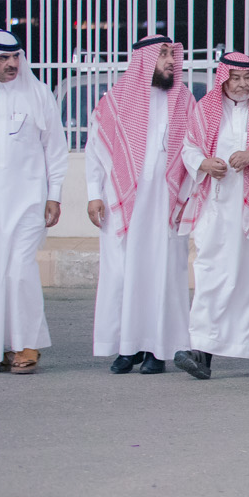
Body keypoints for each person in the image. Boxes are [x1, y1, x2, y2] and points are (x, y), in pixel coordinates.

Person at [86, 35, 195, 374]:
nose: (170, 60)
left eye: (172, 54)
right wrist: (93, 193)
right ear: (143, 60)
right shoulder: (115, 101)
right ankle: (127, 347)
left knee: (162, 275)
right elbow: (95, 150)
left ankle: (157, 350)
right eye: (162, 54)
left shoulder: (184, 100)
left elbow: (195, 147)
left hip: (165, 203)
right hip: (122, 202)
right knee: (123, 274)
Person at [173, 50, 249, 380]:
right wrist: (203, 163)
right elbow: (189, 147)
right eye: (235, 78)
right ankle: (201, 352)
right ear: (223, 80)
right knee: (211, 276)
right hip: (216, 206)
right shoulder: (204, 109)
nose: (241, 84)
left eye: (247, 78)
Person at [0, 29, 67, 375]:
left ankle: (27, 344)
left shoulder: (38, 94)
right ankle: (2, 347)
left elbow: (55, 148)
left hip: (28, 203)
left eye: (16, 57)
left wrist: (55, 195)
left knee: (20, 271)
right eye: (3, 58)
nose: (11, 64)